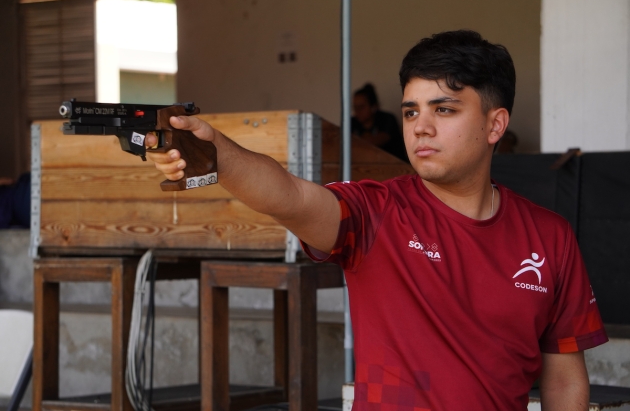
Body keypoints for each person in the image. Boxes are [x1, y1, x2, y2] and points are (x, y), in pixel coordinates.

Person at [146, 30, 607, 410]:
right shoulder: (374, 213)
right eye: (411, 111)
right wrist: (217, 152)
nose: (420, 127)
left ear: (495, 124)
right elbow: (285, 196)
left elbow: (565, 382)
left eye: (443, 109)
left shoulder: (549, 238)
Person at [352, 83, 408, 161]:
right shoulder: (351, 122)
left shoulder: (386, 118)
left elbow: (382, 138)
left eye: (361, 107)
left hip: (395, 166)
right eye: (355, 107)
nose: (357, 111)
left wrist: (357, 141)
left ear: (373, 106)